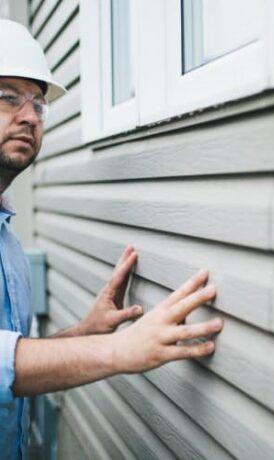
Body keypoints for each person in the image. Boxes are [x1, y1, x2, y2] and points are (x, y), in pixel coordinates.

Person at [0, 19, 224, 459]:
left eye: (39, 105)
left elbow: (16, 363)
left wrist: (85, 332)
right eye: (8, 98)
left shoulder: (8, 242)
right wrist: (119, 349)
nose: (30, 116)